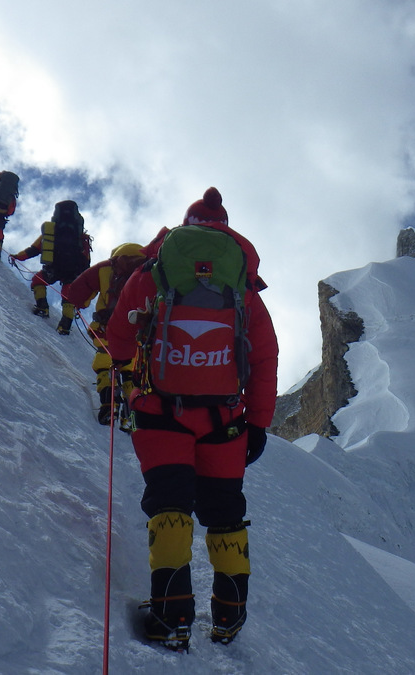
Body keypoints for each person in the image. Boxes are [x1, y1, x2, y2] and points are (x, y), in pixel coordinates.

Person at [106, 188, 277, 650]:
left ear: (185, 225)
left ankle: (171, 614)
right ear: (226, 230)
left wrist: (123, 371)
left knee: (170, 503)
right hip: (225, 419)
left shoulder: (154, 272)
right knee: (224, 512)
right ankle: (229, 618)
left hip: (160, 410)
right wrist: (258, 423)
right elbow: (264, 357)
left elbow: (119, 331)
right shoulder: (242, 287)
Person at [60, 242, 148, 425]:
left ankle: (108, 405)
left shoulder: (105, 268)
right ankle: (131, 413)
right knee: (128, 369)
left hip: (106, 328)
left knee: (103, 363)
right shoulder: (146, 269)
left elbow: (79, 290)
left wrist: (76, 305)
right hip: (135, 332)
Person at [8, 200, 92, 334]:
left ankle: (42, 308)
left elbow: (34, 249)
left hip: (54, 267)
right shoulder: (81, 238)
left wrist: (17, 256)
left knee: (38, 280)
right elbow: (86, 262)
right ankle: (65, 325)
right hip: (74, 271)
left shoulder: (51, 232)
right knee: (68, 296)